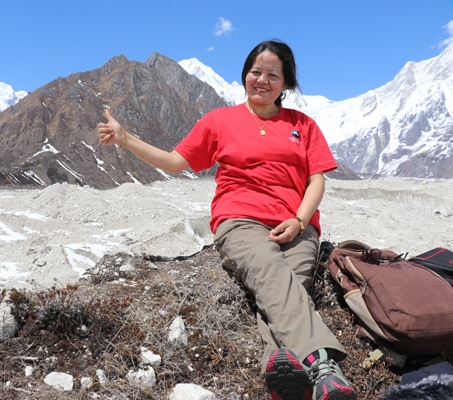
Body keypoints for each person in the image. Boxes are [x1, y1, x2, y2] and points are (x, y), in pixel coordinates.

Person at [97, 40, 357, 400]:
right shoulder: (220, 121)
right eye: (255, 72)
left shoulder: (303, 125)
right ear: (245, 75)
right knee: (270, 270)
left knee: (291, 285)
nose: (261, 80)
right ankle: (323, 364)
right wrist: (126, 139)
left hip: (297, 226)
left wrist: (299, 220)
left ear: (286, 83)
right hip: (241, 220)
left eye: (272, 75)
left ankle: (282, 372)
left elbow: (317, 180)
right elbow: (175, 162)